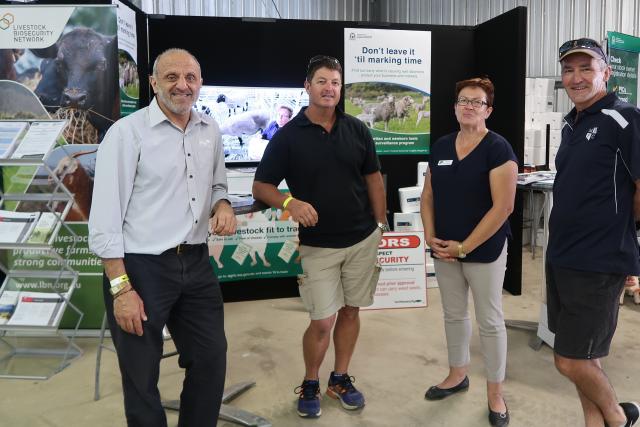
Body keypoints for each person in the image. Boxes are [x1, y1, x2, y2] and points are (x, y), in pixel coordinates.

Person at [88, 48, 237, 427]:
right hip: (141, 269)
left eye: (190, 77)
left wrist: (222, 204)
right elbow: (105, 220)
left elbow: (218, 184)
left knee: (210, 358)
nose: (182, 85)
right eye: (171, 77)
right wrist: (122, 289)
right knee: (141, 376)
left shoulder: (210, 130)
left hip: (197, 263)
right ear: (153, 83)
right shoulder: (127, 134)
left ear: (200, 83)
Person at [252, 55, 387, 418]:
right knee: (322, 319)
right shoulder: (288, 137)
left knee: (350, 311)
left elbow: (373, 177)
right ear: (307, 86)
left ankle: (339, 378)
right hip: (318, 245)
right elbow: (261, 185)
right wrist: (290, 202)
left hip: (361, 239)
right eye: (323, 81)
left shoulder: (357, 129)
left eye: (336, 83)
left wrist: (380, 223)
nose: (330, 88)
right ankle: (311, 380)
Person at [546, 38, 640, 427]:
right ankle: (595, 422)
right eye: (569, 69)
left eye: (586, 68)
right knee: (587, 355)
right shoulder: (573, 123)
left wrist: (624, 238)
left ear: (607, 72)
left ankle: (617, 418)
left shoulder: (625, 118)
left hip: (598, 260)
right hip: (563, 255)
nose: (576, 77)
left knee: (568, 360)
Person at [420, 77, 517, 427]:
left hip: (484, 250)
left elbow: (503, 207)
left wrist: (465, 246)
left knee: (490, 322)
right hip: (445, 248)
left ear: (488, 110)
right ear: (454, 107)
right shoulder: (443, 146)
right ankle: (457, 374)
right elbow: (428, 196)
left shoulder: (498, 148)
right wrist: (430, 236)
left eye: (477, 102)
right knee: (454, 315)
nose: (469, 106)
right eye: (463, 100)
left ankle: (495, 393)